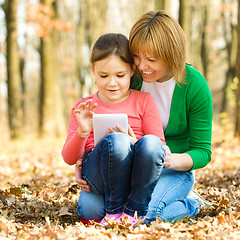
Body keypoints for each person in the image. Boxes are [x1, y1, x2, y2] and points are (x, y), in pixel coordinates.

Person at [75, 10, 213, 224]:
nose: (141, 66)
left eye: (151, 59)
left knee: (144, 214)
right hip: (131, 169)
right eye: (137, 56)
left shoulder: (194, 86)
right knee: (92, 211)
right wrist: (83, 166)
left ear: (171, 55)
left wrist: (168, 160)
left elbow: (203, 152)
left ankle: (190, 204)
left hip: (173, 169)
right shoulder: (133, 78)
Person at [62, 33, 166, 226]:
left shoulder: (144, 101)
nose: (112, 82)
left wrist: (134, 145)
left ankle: (133, 211)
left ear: (132, 70)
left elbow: (158, 148)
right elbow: (69, 158)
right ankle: (114, 212)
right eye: (104, 75)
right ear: (93, 70)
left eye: (120, 75)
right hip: (98, 176)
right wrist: (82, 133)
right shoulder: (84, 106)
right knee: (117, 141)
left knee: (149, 142)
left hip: (136, 177)